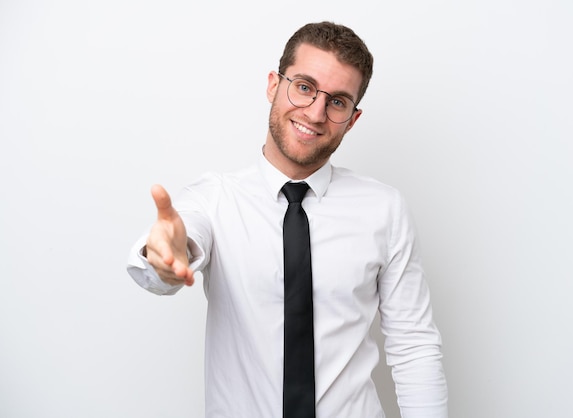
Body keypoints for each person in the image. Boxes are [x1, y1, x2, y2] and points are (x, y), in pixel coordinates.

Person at [127, 21, 448, 418]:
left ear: (353, 118)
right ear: (272, 85)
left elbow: (414, 345)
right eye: (304, 86)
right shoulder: (214, 200)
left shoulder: (384, 209)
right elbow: (173, 250)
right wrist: (165, 260)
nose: (315, 113)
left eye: (337, 102)